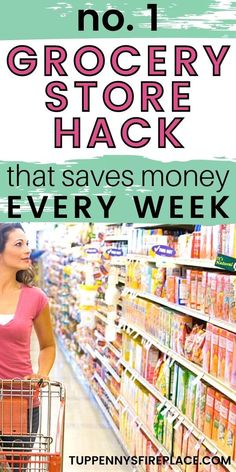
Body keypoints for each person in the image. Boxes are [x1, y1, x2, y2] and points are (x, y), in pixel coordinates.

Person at [0, 223, 56, 471]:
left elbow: (47, 346)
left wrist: (42, 373)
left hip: (19, 399)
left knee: (15, 468)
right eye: (19, 244)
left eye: (28, 244)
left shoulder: (35, 297)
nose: (27, 250)